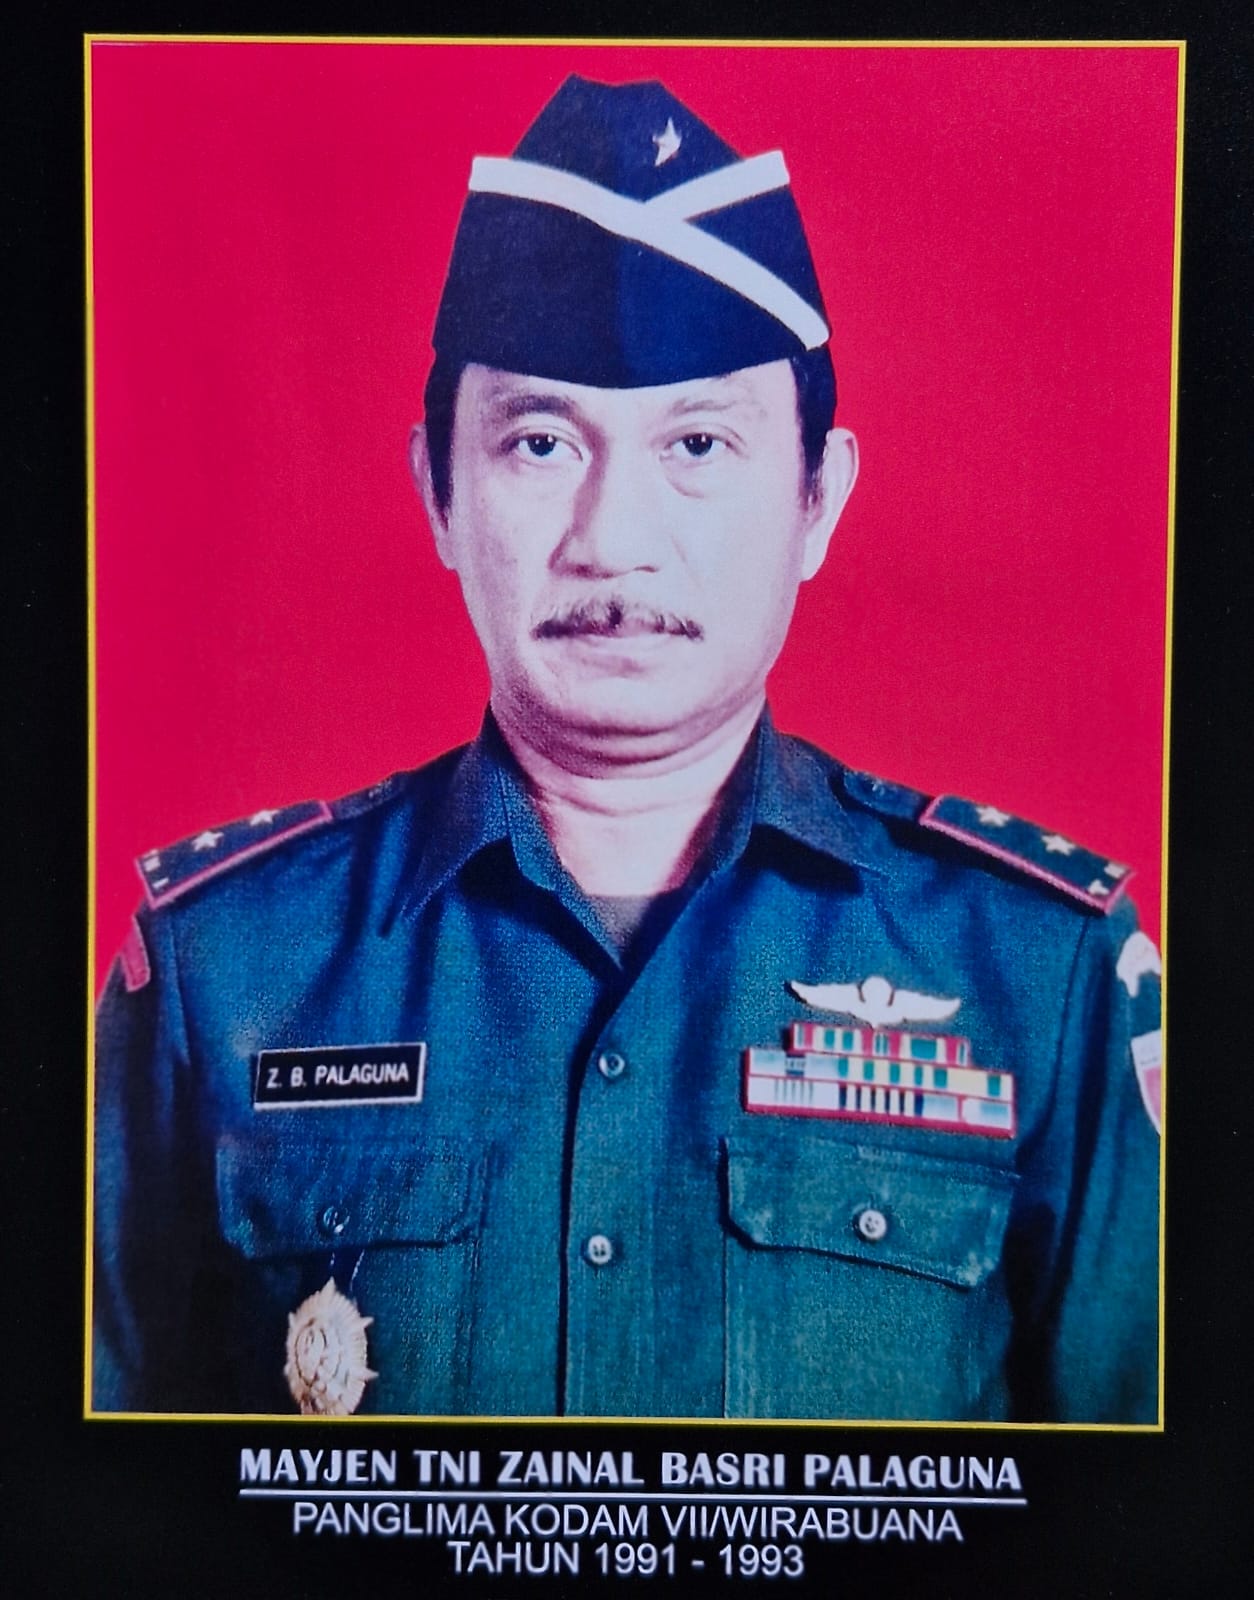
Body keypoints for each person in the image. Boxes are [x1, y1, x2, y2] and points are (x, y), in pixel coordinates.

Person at [93, 75, 1161, 1421]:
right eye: (541, 442)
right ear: (437, 492)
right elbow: (96, 1495)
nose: (614, 539)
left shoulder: (1039, 972)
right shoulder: (224, 966)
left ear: (819, 499)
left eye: (698, 442)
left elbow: (1141, 1504)